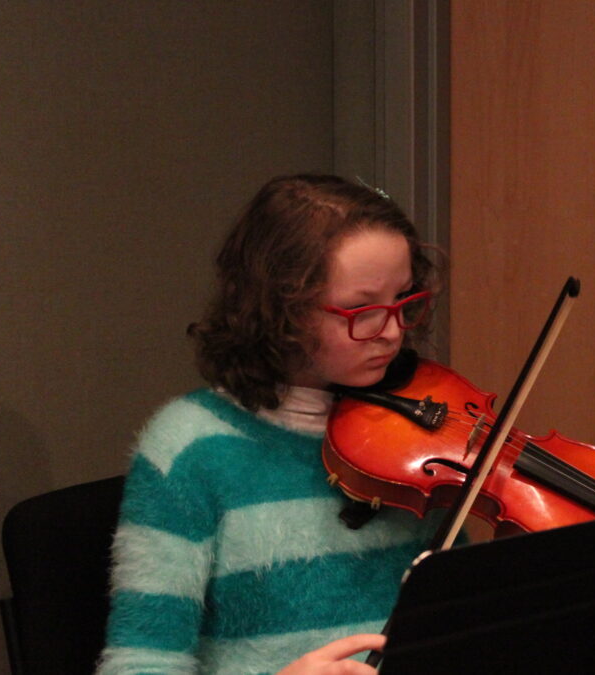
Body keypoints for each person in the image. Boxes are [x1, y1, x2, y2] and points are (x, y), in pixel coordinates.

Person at [97, 174, 443, 674]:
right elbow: (140, 663)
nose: (391, 333)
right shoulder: (191, 449)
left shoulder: (416, 437)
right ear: (281, 308)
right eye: (360, 310)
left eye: (404, 301)